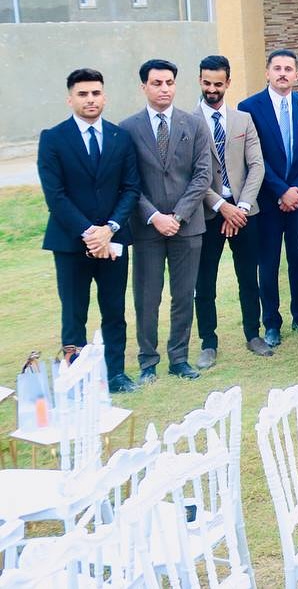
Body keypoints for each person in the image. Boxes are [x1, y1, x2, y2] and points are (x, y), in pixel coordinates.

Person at [38, 68, 141, 393]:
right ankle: (76, 379)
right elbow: (55, 195)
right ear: (70, 99)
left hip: (113, 241)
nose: (90, 99)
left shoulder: (120, 137)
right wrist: (90, 232)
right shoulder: (53, 139)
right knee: (74, 314)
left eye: (96, 93)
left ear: (104, 97)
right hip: (70, 244)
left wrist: (109, 229)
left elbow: (131, 189)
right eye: (83, 94)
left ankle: (116, 374)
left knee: (114, 311)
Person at [121, 59, 213, 383]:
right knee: (147, 297)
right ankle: (148, 362)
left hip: (187, 226)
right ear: (143, 86)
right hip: (147, 227)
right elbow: (128, 181)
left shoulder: (194, 124)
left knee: (184, 295)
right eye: (157, 83)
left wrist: (178, 215)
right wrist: (154, 216)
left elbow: (203, 175)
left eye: (169, 83)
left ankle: (179, 359)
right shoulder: (128, 129)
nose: (164, 89)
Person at [193, 55, 271, 366]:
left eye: (218, 84)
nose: (212, 89)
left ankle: (253, 334)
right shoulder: (188, 122)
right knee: (204, 281)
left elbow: (257, 166)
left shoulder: (243, 120)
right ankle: (208, 342)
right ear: (200, 81)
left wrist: (240, 207)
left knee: (248, 277)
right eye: (206, 83)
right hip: (208, 212)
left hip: (244, 213)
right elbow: (191, 174)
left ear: (228, 83)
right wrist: (222, 206)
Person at [238, 48, 298, 345]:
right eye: (277, 68)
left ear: (296, 74)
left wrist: (297, 189)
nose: (283, 73)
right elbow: (253, 156)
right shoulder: (249, 107)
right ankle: (271, 322)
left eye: (288, 69)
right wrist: (281, 190)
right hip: (267, 199)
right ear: (267, 72)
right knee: (269, 262)